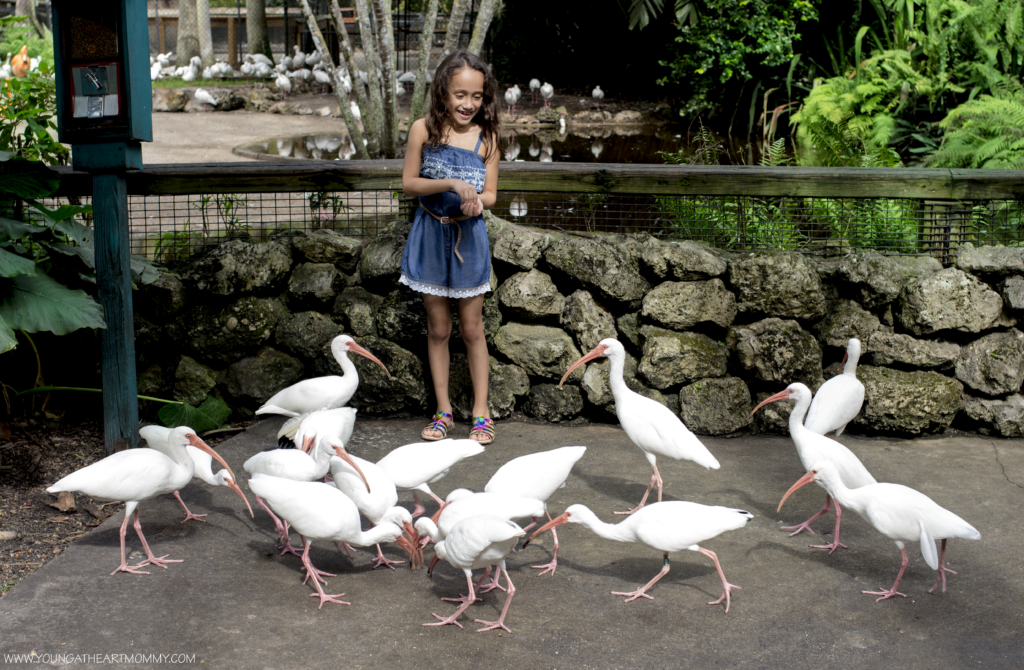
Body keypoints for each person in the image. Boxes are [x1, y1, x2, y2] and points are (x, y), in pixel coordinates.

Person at [399, 50, 500, 445]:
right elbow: (409, 184)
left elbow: (491, 194)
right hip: (429, 234)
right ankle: (443, 411)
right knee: (439, 328)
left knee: (473, 329)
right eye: (460, 94)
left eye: (476, 96)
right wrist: (451, 185)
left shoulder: (488, 137)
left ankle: (481, 412)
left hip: (468, 237)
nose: (468, 104)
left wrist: (477, 201)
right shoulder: (422, 129)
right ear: (443, 91)